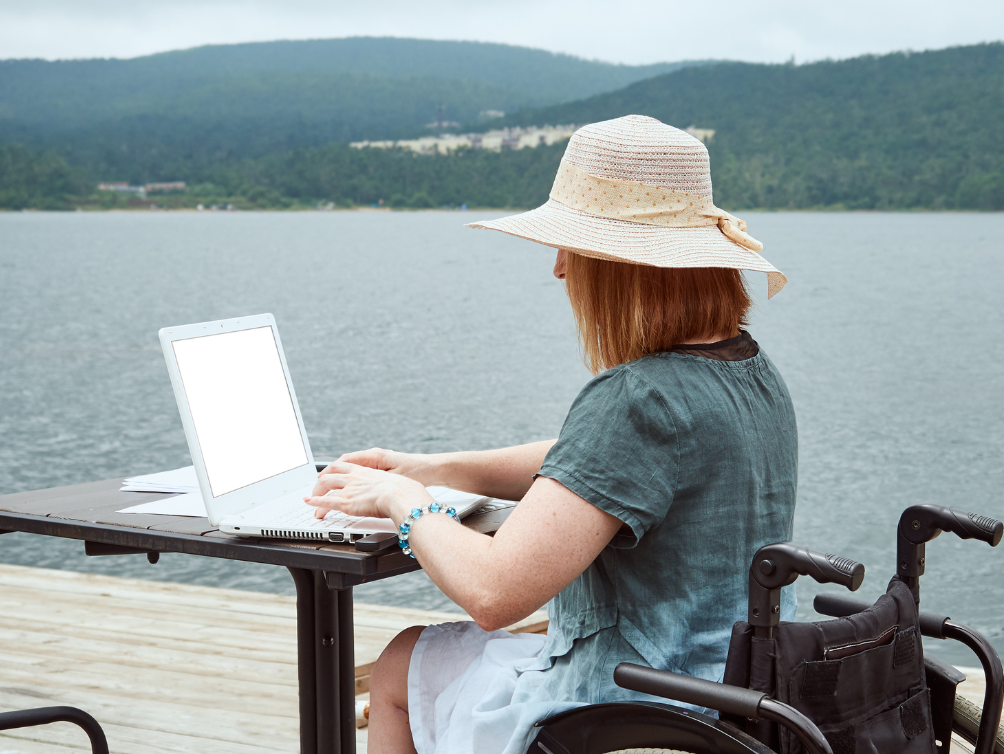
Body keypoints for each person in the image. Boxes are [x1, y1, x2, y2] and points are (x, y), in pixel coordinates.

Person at [305, 115, 798, 754]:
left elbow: (494, 594)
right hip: (732, 702)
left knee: (402, 665)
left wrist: (403, 503)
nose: (559, 270)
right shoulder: (752, 373)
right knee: (417, 658)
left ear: (622, 267)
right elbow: (591, 466)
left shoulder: (638, 397)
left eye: (572, 248)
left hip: (630, 711)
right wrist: (431, 467)